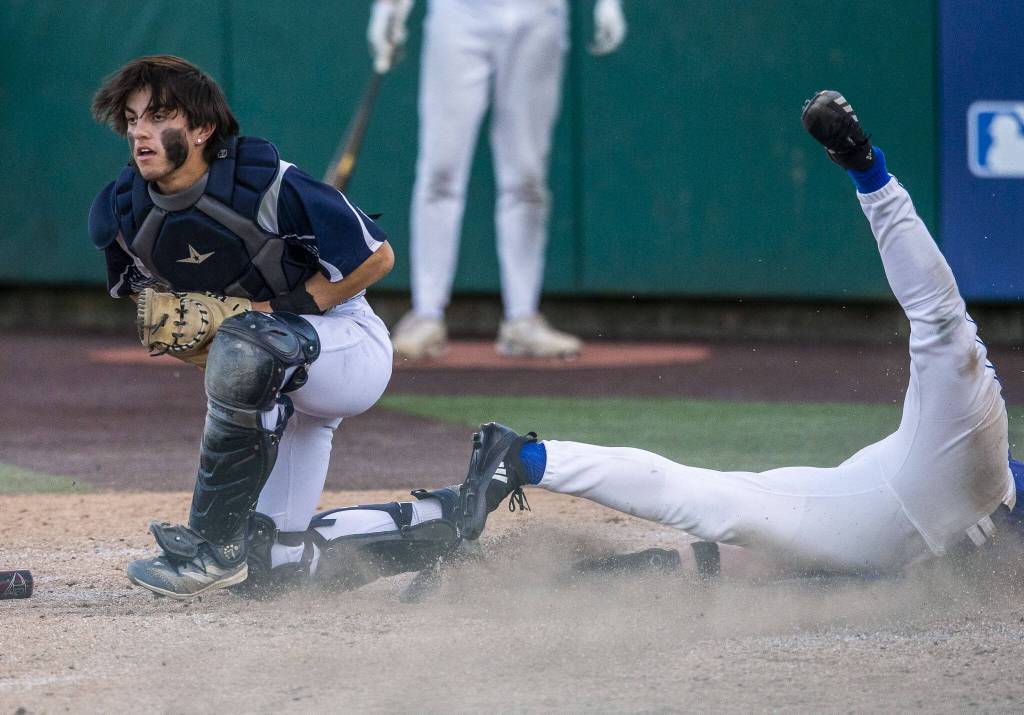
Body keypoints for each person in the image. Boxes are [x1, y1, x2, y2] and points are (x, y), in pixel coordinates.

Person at [454, 90, 1022, 576]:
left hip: (884, 515)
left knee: (731, 525)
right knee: (942, 321)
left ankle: (539, 485)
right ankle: (864, 165)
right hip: (927, 491)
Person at [88, 56, 479, 599]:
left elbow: (377, 257)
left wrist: (274, 315)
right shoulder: (124, 210)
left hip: (348, 343)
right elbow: (162, 316)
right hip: (276, 375)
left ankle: (211, 545)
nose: (140, 132)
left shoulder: (265, 181)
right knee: (275, 574)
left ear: (201, 128)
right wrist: (198, 342)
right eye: (132, 120)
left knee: (249, 346)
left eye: (158, 116)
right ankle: (444, 521)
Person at [367, 0, 628, 359]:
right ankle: (426, 315)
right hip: (460, 12)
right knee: (440, 170)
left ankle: (522, 319)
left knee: (527, 175)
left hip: (540, 14)